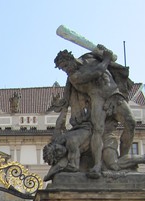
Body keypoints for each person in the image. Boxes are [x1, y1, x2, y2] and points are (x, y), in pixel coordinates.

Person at [54, 45, 135, 177]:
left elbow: (108, 63)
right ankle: (97, 165)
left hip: (114, 95)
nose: (66, 69)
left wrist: (103, 52)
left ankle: (124, 158)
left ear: (71, 58)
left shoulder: (90, 57)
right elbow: (97, 71)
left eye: (66, 65)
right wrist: (107, 59)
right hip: (98, 100)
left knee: (131, 123)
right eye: (63, 68)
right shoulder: (74, 77)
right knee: (98, 129)